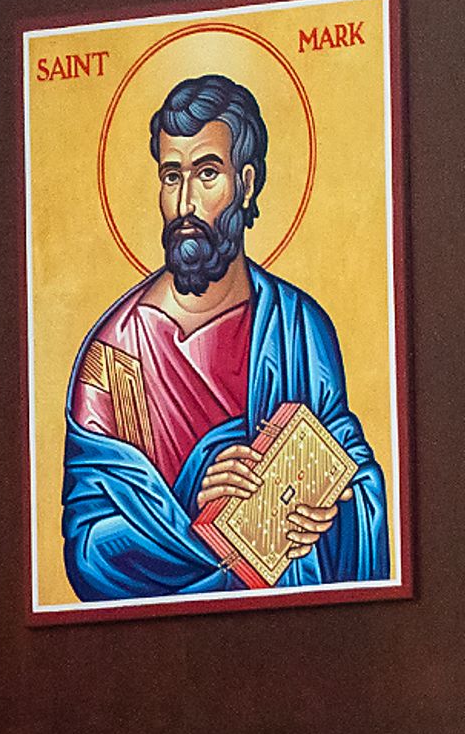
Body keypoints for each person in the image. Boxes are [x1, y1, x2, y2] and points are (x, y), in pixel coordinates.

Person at [61, 73, 384, 598]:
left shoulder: (300, 327)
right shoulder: (115, 353)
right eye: (171, 175)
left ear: (247, 183)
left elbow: (357, 480)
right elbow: (87, 548)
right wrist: (195, 505)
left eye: (207, 173)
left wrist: (326, 515)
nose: (185, 201)